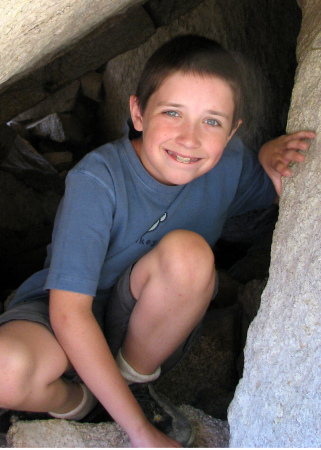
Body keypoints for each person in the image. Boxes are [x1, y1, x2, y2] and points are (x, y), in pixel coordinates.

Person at [0, 34, 315, 448]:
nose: (190, 138)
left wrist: (270, 156)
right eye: (172, 112)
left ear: (233, 130)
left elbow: (279, 186)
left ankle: (132, 386)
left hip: (142, 334)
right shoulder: (97, 180)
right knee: (6, 369)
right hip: (58, 316)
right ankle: (83, 403)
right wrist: (139, 434)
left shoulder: (230, 164)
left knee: (190, 256)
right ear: (138, 112)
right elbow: (69, 314)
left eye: (212, 121)